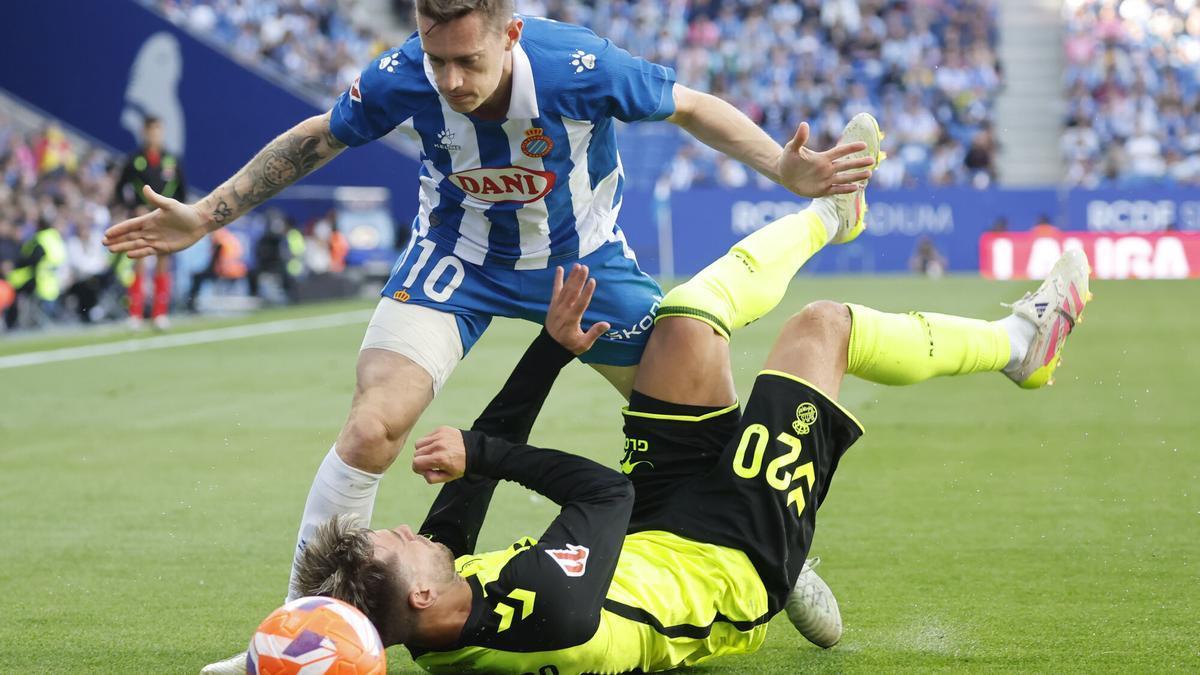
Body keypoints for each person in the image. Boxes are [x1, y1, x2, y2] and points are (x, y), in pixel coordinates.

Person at [101, 4, 877, 669]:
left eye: (467, 60)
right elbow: (323, 135)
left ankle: (783, 552)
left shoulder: (576, 64)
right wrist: (208, 214)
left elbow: (689, 105)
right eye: (436, 59)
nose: (449, 81)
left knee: (694, 401)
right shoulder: (407, 72)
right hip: (457, 261)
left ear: (509, 33)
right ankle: (300, 631)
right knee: (374, 424)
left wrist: (782, 166)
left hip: (582, 263)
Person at [289, 168, 1092, 673]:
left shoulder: (438, 616)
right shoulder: (551, 621)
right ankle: (1020, 345)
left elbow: (477, 492)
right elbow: (601, 493)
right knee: (821, 328)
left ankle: (831, 214)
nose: (403, 526)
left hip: (656, 530)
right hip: (736, 556)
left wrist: (550, 348)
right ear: (421, 592)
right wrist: (482, 450)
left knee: (685, 320)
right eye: (396, 540)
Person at [113, 115, 187, 330]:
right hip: (141, 218)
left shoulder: (172, 160)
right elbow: (120, 189)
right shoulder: (135, 160)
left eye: (158, 129)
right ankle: (135, 313)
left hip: (164, 219)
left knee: (163, 262)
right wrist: (132, 207)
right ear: (144, 132)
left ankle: (159, 314)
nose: (154, 134)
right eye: (150, 130)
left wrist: (174, 213)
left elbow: (181, 191)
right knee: (140, 262)